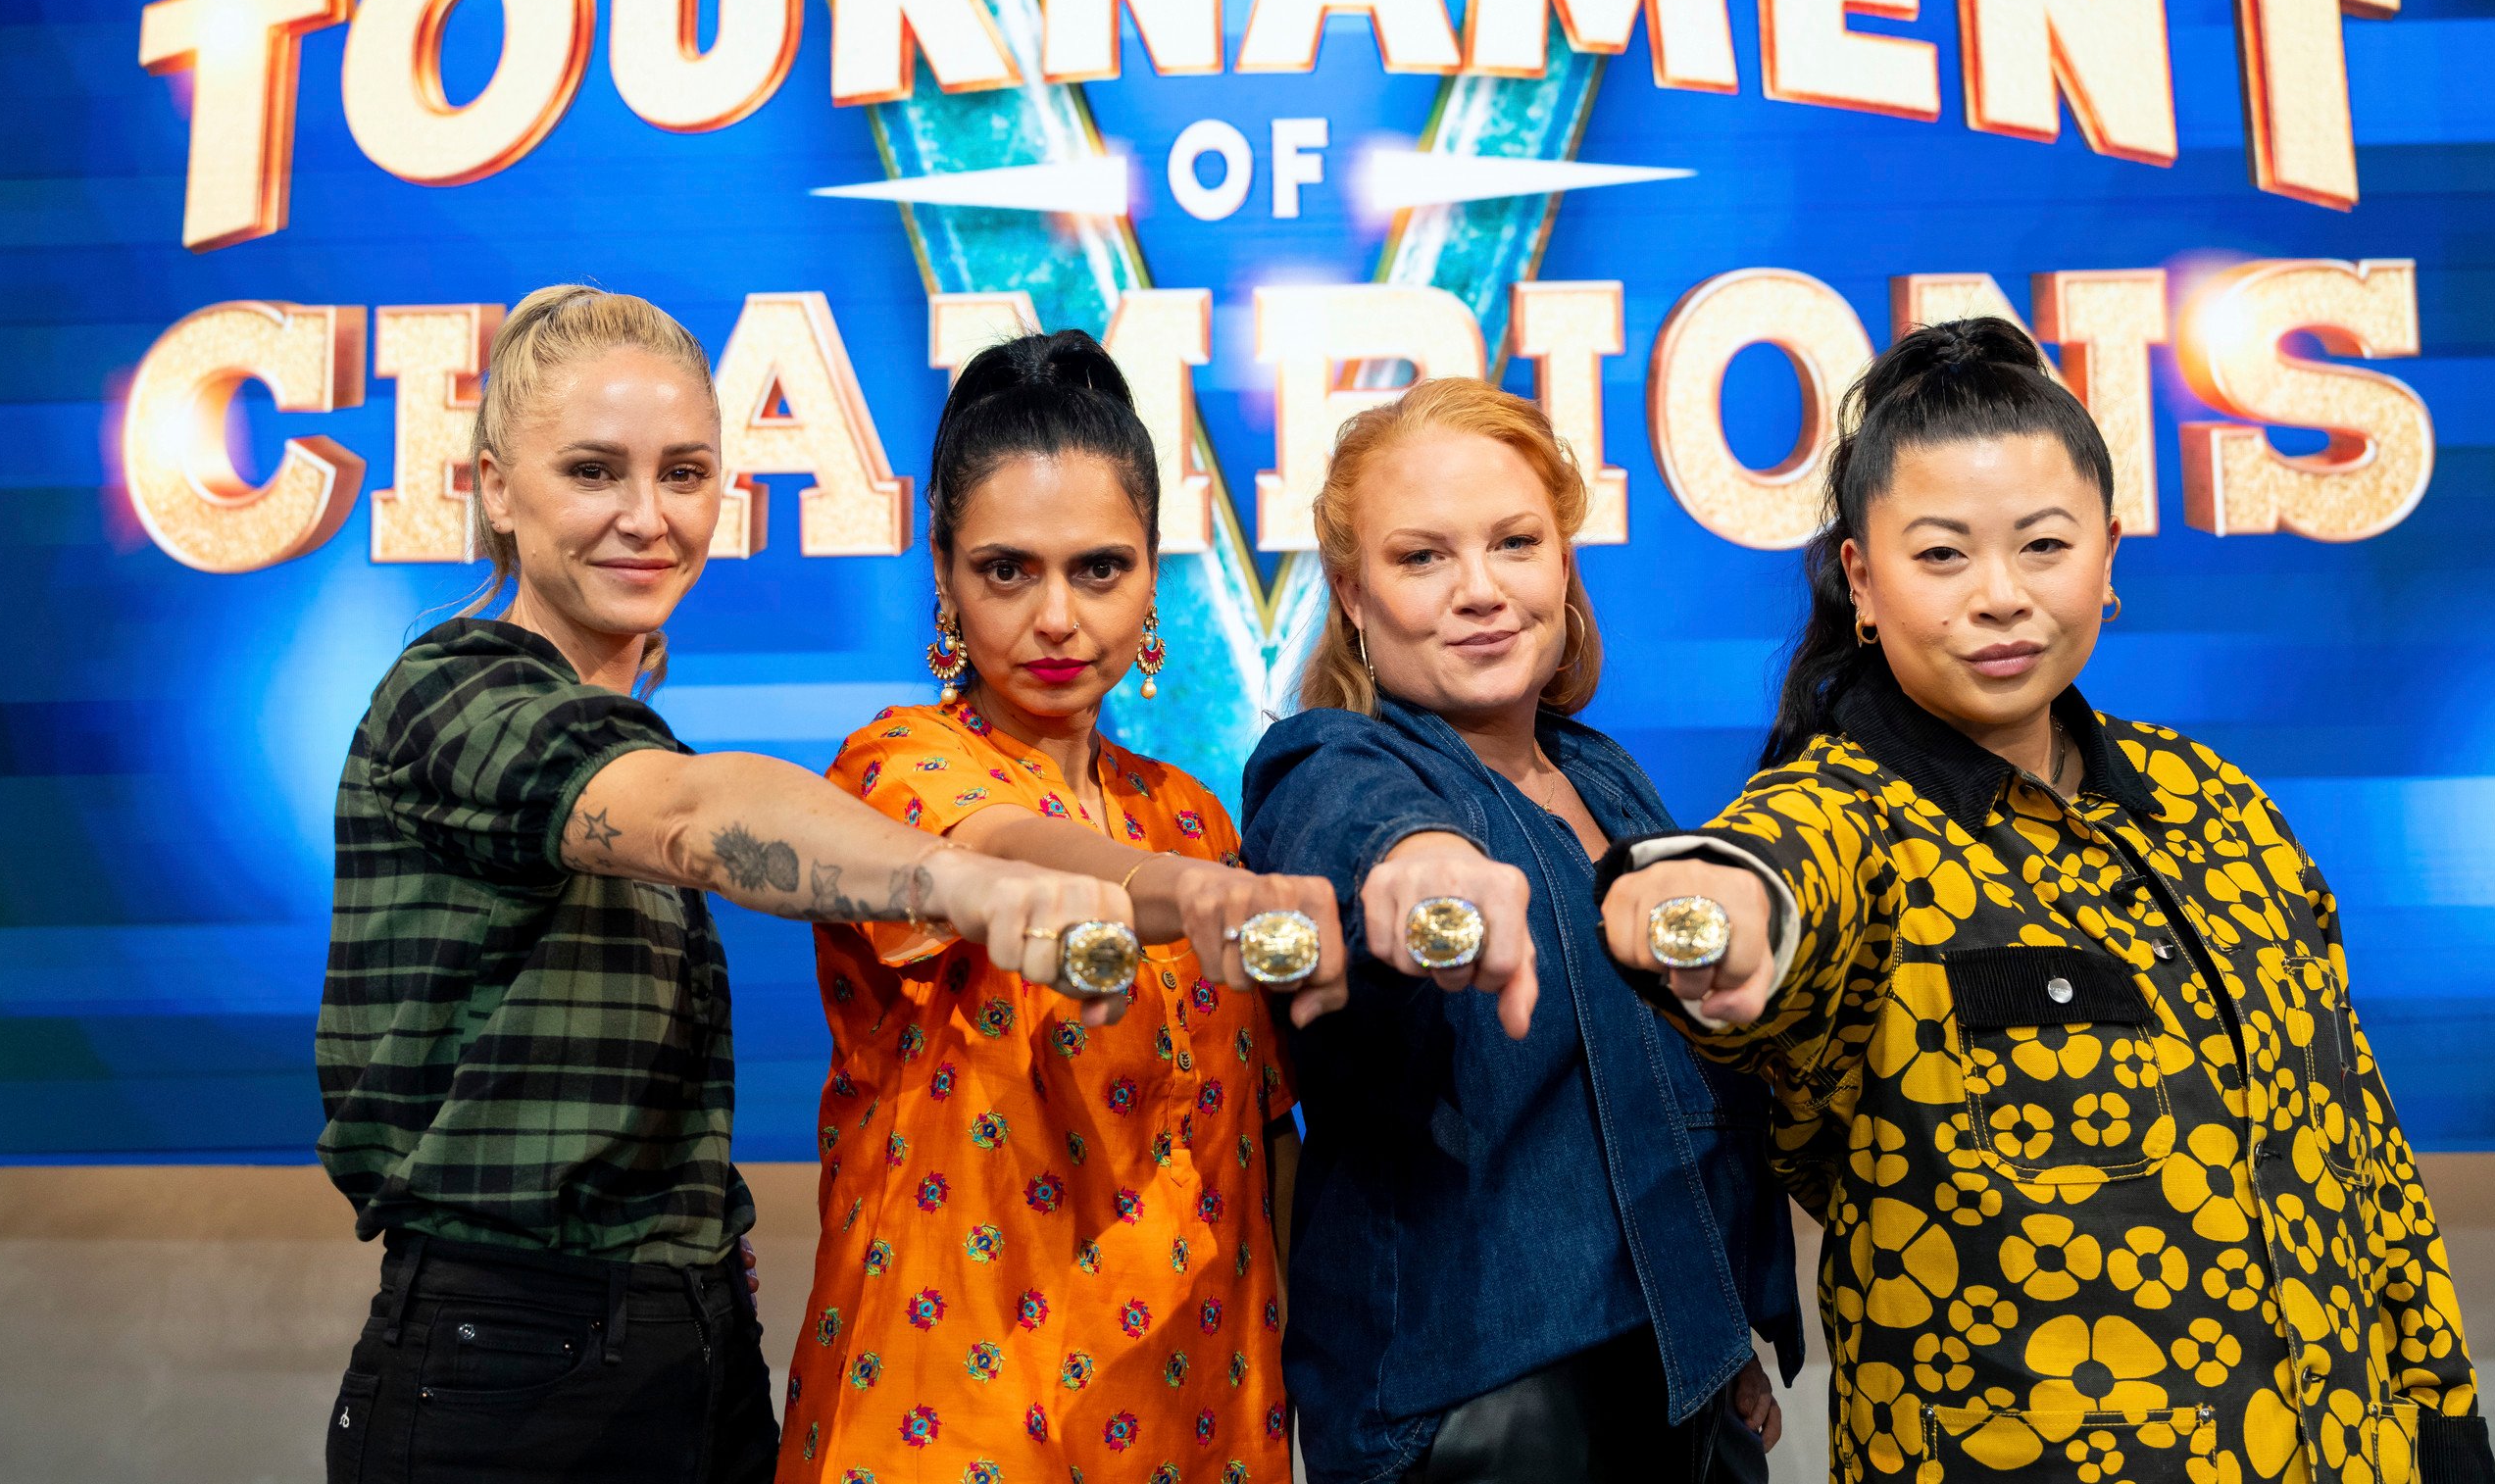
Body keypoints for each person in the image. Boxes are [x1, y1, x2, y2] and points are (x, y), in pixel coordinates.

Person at [1597, 317, 2495, 1484]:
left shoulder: (2210, 801)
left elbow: (2362, 1140)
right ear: (1861, 579)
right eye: (1941, 556)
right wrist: (1704, 910)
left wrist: (2443, 1409)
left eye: (2042, 545)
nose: (2001, 597)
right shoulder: (1849, 818)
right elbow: (1774, 871)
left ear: (2110, 555)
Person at [317, 287, 1134, 1484]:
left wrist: (690, 1258)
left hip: (683, 1346)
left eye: (685, 473)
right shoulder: (454, 693)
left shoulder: (619, 723)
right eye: (595, 471)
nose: (648, 517)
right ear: (494, 486)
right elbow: (698, 817)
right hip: (504, 1359)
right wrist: (957, 880)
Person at [775, 331, 1347, 1484]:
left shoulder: (1193, 815)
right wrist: (1187, 895)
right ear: (942, 571)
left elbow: (1261, 1150)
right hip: (948, 1410)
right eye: (1005, 569)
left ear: (1151, 575)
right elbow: (999, 845)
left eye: (1098, 568)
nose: (1056, 617)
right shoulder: (894, 766)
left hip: (1200, 1410)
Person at [1239, 377, 1798, 1484]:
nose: (1481, 591)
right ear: (1353, 595)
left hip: (1681, 1386)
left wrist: (1714, 1322)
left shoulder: (1606, 777)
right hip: (1483, 1418)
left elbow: (1674, 1102)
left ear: (1564, 565)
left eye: (1515, 543)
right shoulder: (1332, 760)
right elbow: (1357, 838)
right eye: (1423, 557)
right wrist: (1426, 874)